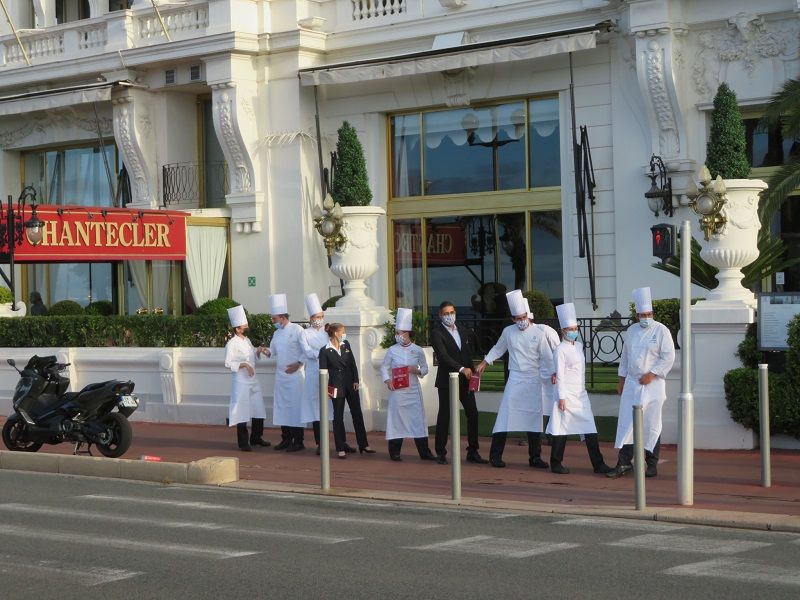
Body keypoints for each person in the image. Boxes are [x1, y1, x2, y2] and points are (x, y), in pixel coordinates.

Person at [476, 289, 553, 469]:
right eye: (517, 318)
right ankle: (495, 456)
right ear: (512, 319)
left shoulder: (539, 333)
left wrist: (553, 373)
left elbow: (547, 357)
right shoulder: (508, 332)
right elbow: (498, 348)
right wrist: (485, 362)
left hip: (533, 379)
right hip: (515, 378)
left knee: (534, 418)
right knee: (504, 416)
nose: (520, 321)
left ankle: (535, 457)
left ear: (528, 315)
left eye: (522, 317)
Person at [607, 287, 675, 479]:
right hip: (632, 383)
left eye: (648, 314)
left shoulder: (661, 330)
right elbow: (625, 357)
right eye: (642, 315)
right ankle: (623, 463)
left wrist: (652, 374)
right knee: (627, 422)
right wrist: (621, 380)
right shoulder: (631, 330)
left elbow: (668, 357)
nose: (645, 317)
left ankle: (651, 463)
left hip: (652, 385)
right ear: (636, 315)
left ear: (652, 313)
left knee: (651, 422)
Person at [546, 303, 612, 474]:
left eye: (575, 328)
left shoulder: (580, 346)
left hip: (580, 394)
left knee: (590, 428)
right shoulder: (560, 350)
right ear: (563, 331)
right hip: (566, 394)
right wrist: (561, 397)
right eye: (570, 329)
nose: (573, 331)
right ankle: (555, 463)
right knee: (562, 430)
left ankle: (598, 464)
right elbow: (559, 374)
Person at [430, 300, 487, 465]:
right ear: (440, 315)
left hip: (466, 381)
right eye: (446, 313)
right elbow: (443, 356)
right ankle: (440, 452)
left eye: (452, 312)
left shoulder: (462, 330)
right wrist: (461, 368)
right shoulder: (437, 333)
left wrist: (472, 368)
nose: (450, 316)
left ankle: (473, 451)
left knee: (473, 413)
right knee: (445, 415)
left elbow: (467, 353)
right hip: (447, 380)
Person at [381, 308, 435, 462]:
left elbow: (425, 369)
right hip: (397, 391)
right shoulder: (391, 350)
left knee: (417, 419)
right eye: (397, 333)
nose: (399, 336)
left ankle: (424, 452)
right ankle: (395, 452)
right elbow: (384, 367)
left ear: (408, 333)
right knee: (396, 419)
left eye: (401, 333)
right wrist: (387, 380)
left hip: (412, 390)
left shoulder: (417, 350)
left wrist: (416, 370)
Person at [318, 322, 374, 459]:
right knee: (338, 417)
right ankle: (340, 447)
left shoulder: (346, 344)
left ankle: (363, 444)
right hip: (336, 386)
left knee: (357, 413)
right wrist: (327, 389)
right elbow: (323, 372)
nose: (344, 333)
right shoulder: (325, 350)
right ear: (336, 333)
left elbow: (352, 363)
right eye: (342, 331)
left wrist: (356, 380)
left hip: (350, 384)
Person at [223, 305, 270, 451]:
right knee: (241, 410)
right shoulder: (231, 344)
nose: (247, 326)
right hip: (241, 381)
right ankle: (243, 443)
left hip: (253, 379)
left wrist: (258, 351)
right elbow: (228, 363)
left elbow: (251, 357)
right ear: (237, 329)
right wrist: (243, 364)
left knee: (258, 408)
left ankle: (256, 437)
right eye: (244, 325)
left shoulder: (247, 340)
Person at [264, 293, 306, 452]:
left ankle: (298, 440)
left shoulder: (297, 330)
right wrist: (263, 350)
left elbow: (305, 350)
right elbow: (272, 351)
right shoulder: (276, 333)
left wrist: (299, 363)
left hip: (295, 376)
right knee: (282, 407)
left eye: (274, 319)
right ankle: (286, 439)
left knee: (295, 407)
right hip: (281, 376)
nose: (273, 322)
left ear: (282, 317)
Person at [299, 293, 332, 455]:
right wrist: (322, 353)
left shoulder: (328, 332)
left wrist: (324, 354)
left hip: (328, 373)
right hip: (313, 373)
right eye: (315, 317)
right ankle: (320, 443)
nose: (318, 319)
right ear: (311, 318)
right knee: (315, 409)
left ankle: (332, 441)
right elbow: (306, 351)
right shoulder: (305, 333)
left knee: (329, 408)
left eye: (320, 316)